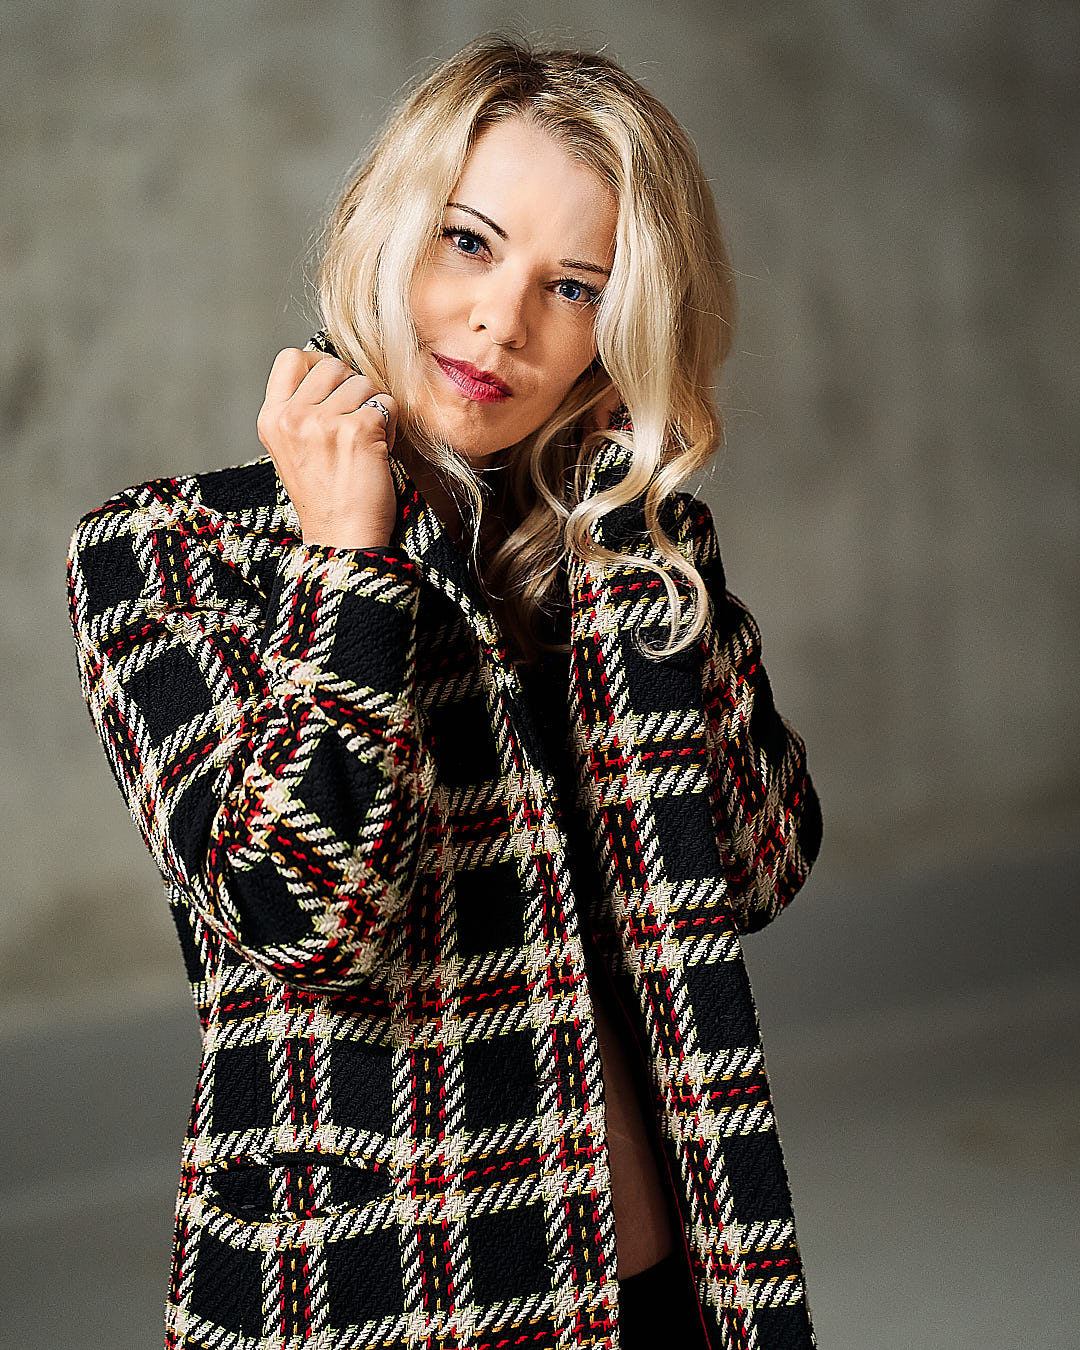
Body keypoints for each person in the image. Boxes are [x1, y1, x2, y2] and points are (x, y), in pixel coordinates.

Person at [67, 37, 822, 1350]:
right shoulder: (168, 555)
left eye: (574, 286)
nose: (501, 320)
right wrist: (350, 564)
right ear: (392, 222)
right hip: (380, 1291)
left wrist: (653, 556)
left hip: (665, 1275)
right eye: (470, 243)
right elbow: (306, 918)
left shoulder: (613, 549)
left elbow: (763, 865)